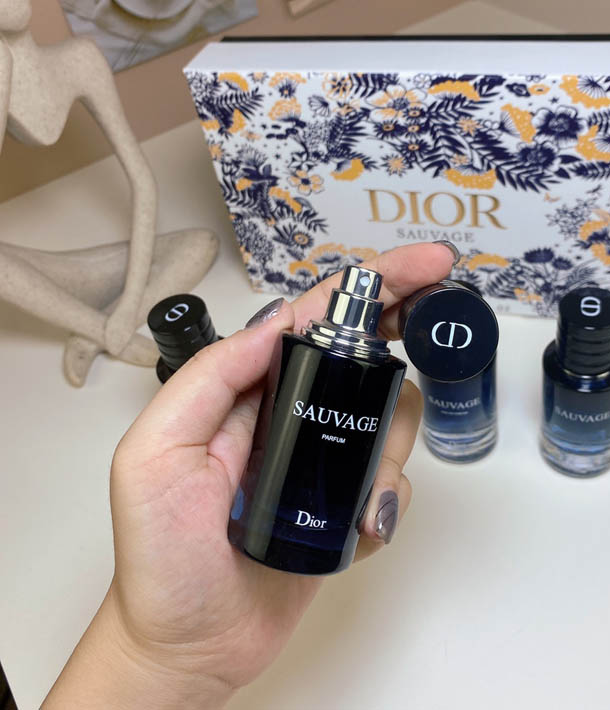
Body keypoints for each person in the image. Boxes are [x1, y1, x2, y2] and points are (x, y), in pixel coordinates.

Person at [43, 241, 458, 709]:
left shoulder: (382, 371)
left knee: (383, 427)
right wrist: (160, 654)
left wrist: (168, 661)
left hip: (305, 549)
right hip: (253, 533)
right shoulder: (298, 348)